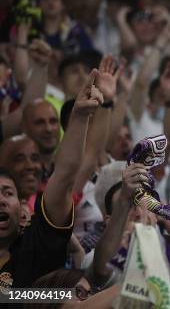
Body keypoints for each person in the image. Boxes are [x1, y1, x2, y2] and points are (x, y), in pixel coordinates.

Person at [0, 69, 102, 288]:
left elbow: (65, 176)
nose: (1, 201)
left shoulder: (37, 245)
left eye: (8, 193)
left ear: (21, 206)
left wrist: (80, 118)